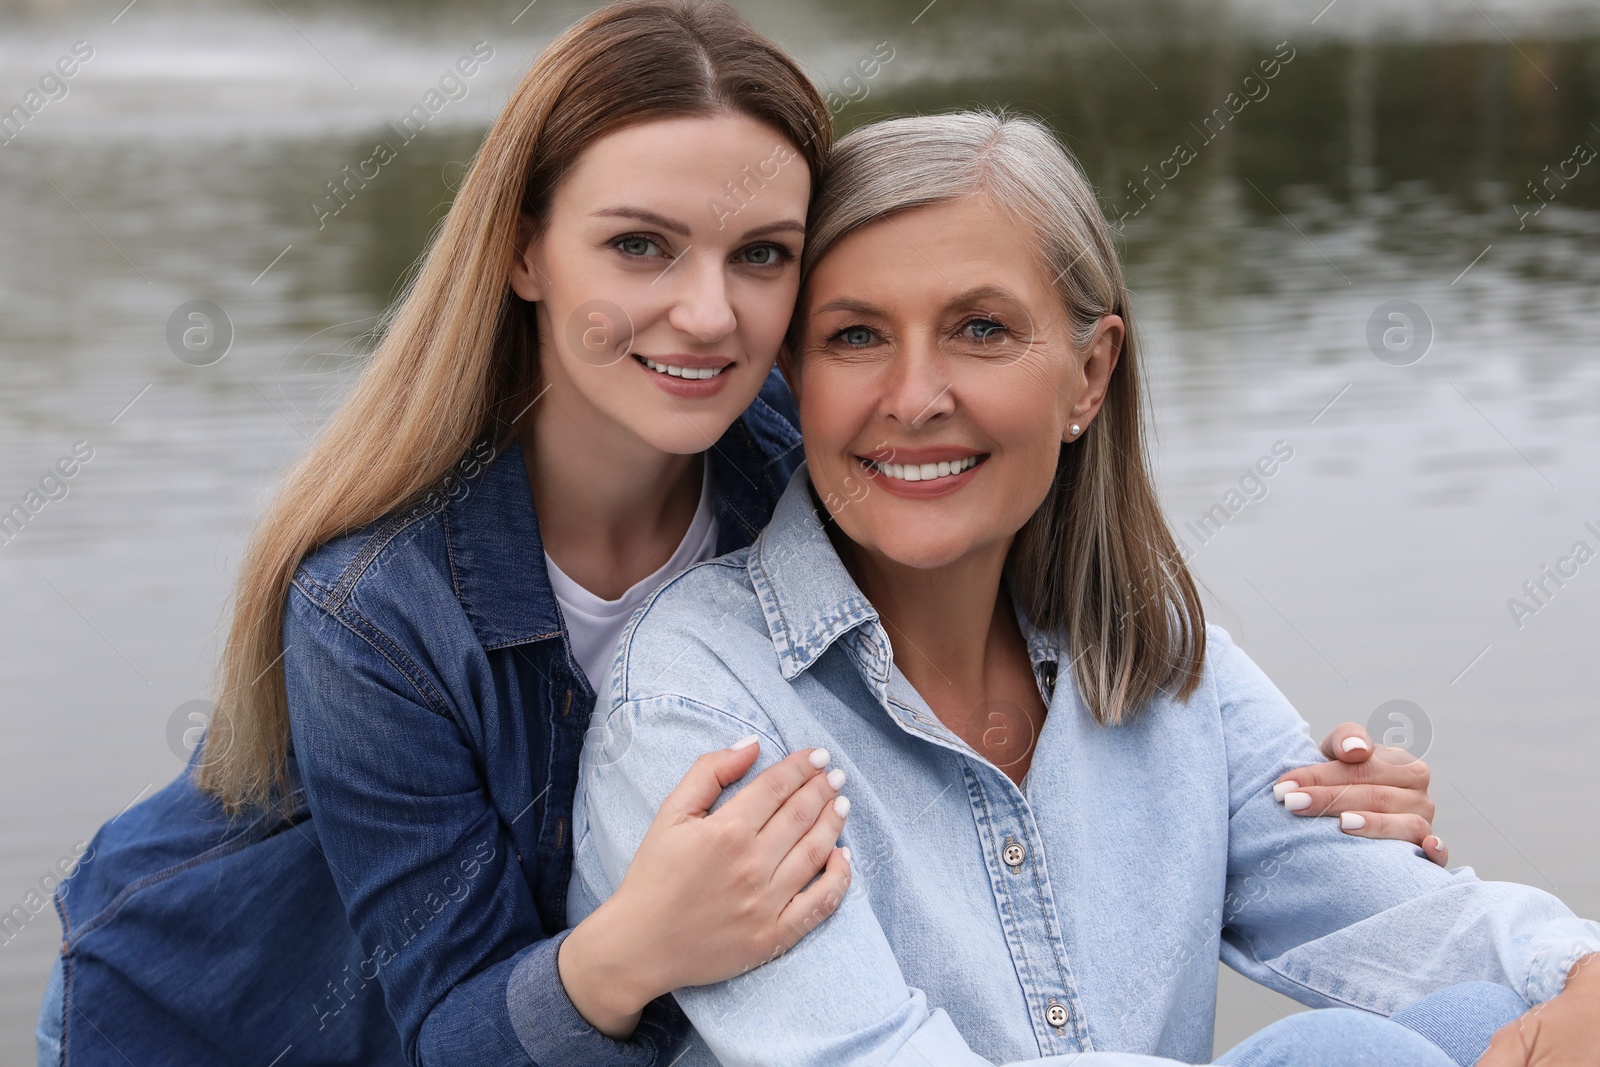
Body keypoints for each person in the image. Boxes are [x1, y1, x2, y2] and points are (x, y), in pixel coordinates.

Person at [40, 5, 1444, 1065]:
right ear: (526, 251)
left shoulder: (819, 476)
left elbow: (1032, 705)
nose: (708, 314)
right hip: (223, 1023)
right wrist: (624, 952)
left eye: (762, 255)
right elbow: (448, 1029)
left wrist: (1293, 804)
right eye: (640, 245)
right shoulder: (375, 609)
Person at [567, 110, 1600, 1066]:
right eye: (855, 335)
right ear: (797, 373)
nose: (916, 397)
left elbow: (1406, 920)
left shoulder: (1147, 651)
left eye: (980, 329)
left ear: (1089, 373)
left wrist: (1580, 974)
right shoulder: (702, 700)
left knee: (1484, 1014)